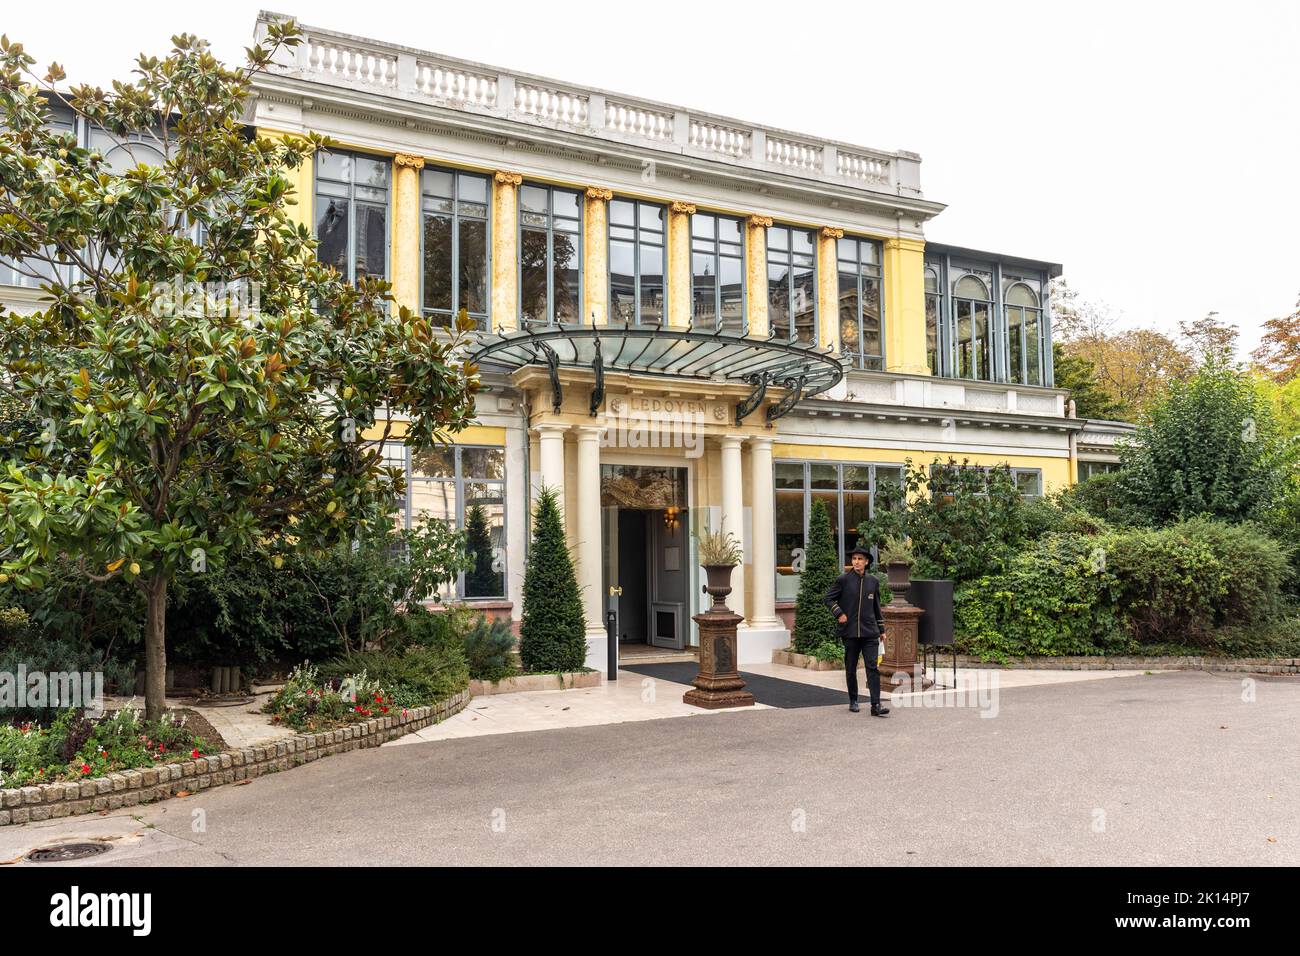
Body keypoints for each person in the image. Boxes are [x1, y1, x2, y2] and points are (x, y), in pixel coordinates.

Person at [824, 543, 890, 716]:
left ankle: (875, 705)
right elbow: (828, 599)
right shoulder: (843, 580)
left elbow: (876, 607)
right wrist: (839, 613)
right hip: (850, 632)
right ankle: (853, 700)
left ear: (866, 562)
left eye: (860, 559)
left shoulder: (873, 582)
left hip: (870, 632)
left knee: (872, 668)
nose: (856, 562)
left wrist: (881, 629)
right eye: (854, 559)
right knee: (851, 668)